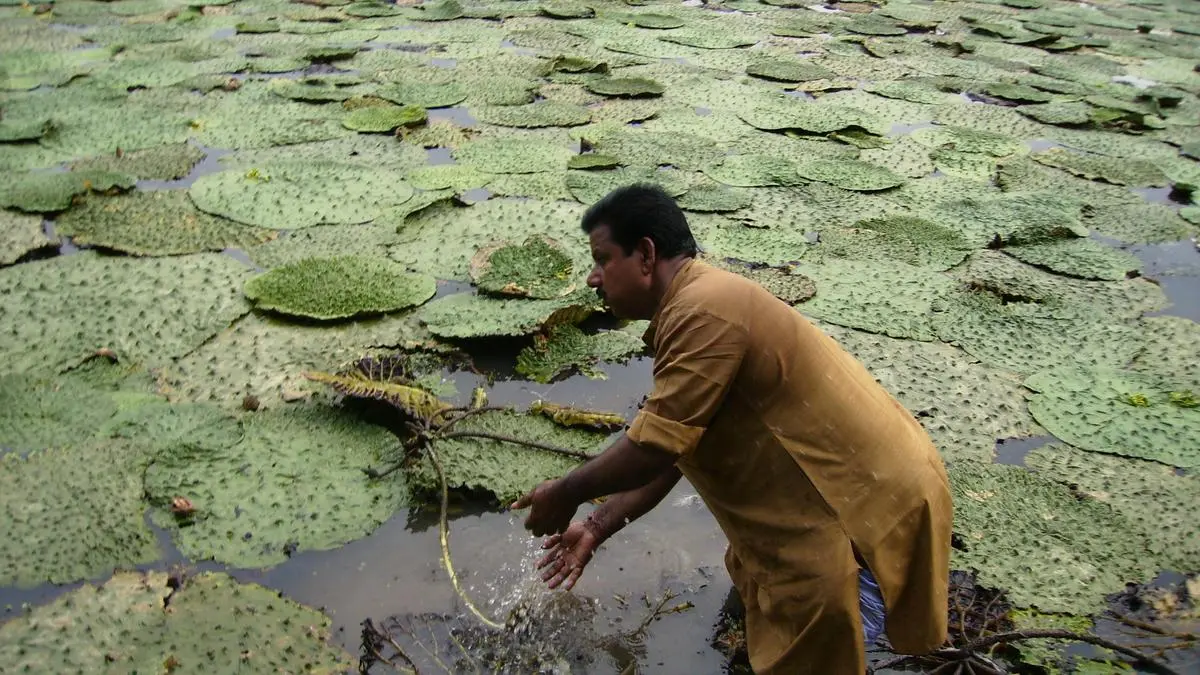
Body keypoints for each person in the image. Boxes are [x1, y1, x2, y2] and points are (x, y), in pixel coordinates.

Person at [510, 183, 953, 674]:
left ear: (646, 255)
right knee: (769, 611)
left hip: (861, 503)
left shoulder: (704, 310)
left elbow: (654, 448)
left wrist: (567, 490)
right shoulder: (697, 303)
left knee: (814, 630)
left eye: (602, 258)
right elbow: (680, 445)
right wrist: (597, 525)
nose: (593, 278)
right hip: (870, 487)